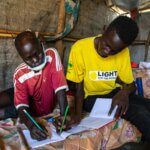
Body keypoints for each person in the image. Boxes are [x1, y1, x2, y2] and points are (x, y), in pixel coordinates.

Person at [66, 16, 150, 149]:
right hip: (91, 98)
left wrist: (123, 92)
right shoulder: (80, 48)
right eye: (106, 44)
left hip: (114, 93)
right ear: (104, 30)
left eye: (114, 51)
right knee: (139, 112)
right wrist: (77, 113)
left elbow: (131, 85)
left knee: (147, 105)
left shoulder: (124, 53)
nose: (107, 51)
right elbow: (78, 87)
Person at [13, 31, 69, 141]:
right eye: (28, 58)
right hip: (27, 99)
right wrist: (31, 126)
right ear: (22, 57)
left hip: (42, 99)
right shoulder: (19, 74)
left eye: (37, 53)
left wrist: (64, 116)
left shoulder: (51, 55)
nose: (35, 60)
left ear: (40, 44)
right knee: (11, 106)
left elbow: (60, 88)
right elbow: (22, 107)